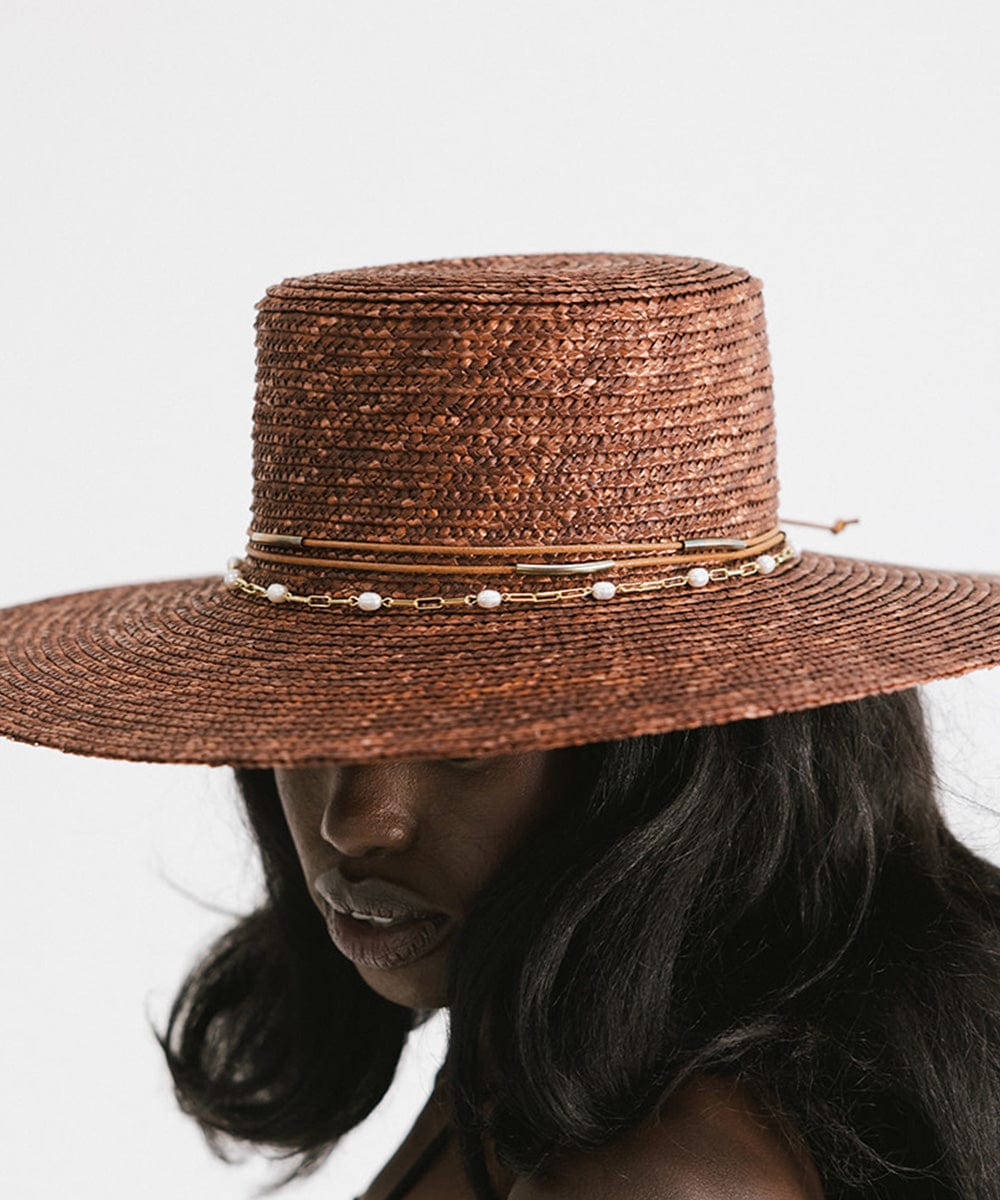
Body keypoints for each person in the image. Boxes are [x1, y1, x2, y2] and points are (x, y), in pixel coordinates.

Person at [0, 252, 998, 1200]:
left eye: (463, 743)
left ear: (681, 757)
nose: (354, 823)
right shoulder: (538, 1062)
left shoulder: (653, 1173)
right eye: (311, 727)